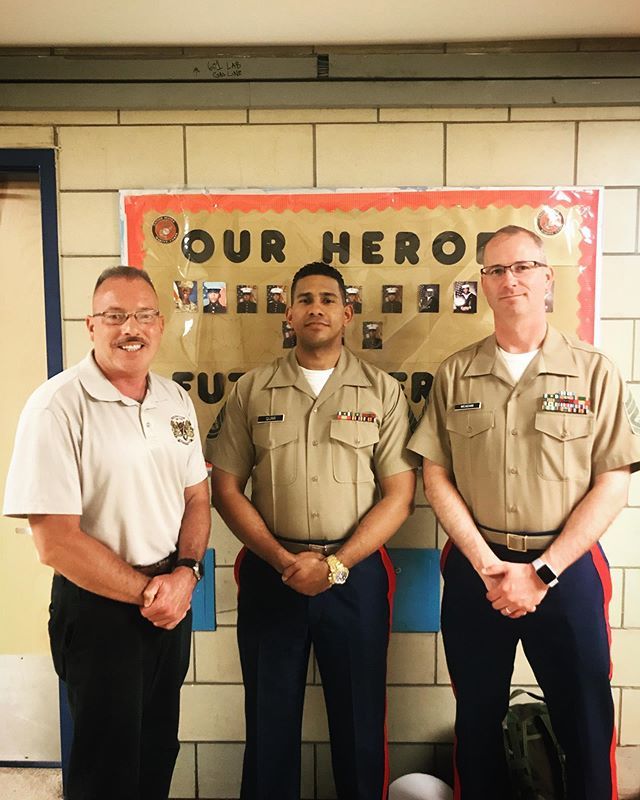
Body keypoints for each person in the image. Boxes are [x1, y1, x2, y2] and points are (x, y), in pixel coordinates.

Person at [408, 225, 640, 800]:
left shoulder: (594, 370)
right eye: (495, 270)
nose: (509, 279)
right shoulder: (455, 372)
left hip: (567, 568)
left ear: (546, 278)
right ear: (483, 284)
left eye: (522, 267)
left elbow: (613, 481)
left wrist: (542, 571)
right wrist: (487, 564)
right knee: (476, 717)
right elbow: (436, 475)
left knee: (586, 719)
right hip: (477, 568)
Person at [208, 261, 417, 800]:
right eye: (305, 299)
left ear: (347, 314)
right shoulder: (252, 390)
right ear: (288, 313)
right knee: (269, 722)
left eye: (328, 299)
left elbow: (399, 496)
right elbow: (225, 489)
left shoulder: (382, 392)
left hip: (356, 576)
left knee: (360, 721)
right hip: (271, 573)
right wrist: (283, 561)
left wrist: (337, 565)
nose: (316, 308)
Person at [3, 266, 211, 800]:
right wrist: (151, 593)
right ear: (91, 325)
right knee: (107, 770)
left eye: (143, 315)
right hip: (99, 612)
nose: (130, 328)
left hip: (170, 602)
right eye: (115, 316)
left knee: (157, 752)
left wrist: (186, 574)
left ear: (160, 324)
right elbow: (55, 541)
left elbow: (197, 497)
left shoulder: (175, 400)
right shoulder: (57, 406)